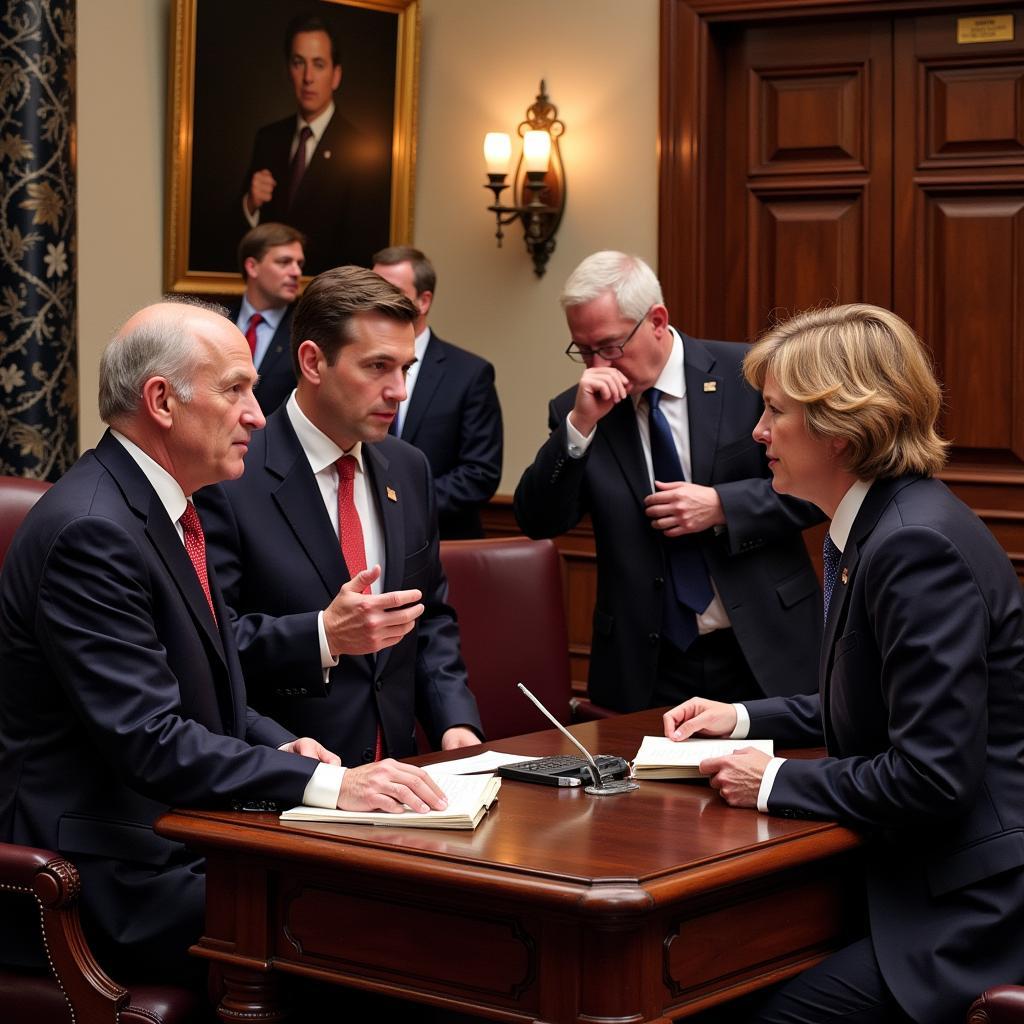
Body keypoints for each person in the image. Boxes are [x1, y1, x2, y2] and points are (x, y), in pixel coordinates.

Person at [0, 299, 447, 985]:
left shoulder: (160, 511)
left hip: (180, 841)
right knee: (373, 931)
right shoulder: (94, 531)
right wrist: (330, 784)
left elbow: (205, 688)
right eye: (235, 389)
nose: (257, 415)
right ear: (162, 402)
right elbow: (150, 737)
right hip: (109, 877)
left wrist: (277, 742)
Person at [665, 303, 1024, 1024]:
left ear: (842, 425)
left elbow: (931, 777)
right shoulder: (878, 528)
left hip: (970, 911)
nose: (757, 433)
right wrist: (739, 717)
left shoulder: (913, 546)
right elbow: (873, 698)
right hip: (912, 876)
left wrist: (773, 780)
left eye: (773, 412)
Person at [197, 267, 482, 768]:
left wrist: (455, 723)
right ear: (313, 361)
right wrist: (324, 635)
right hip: (286, 776)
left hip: (399, 777)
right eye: (377, 367)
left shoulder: (409, 468)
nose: (399, 391)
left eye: (405, 369)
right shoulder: (230, 474)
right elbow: (210, 644)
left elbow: (429, 617)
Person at [514, 251, 823, 713]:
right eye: (583, 350)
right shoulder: (578, 409)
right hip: (647, 664)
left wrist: (723, 505)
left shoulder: (750, 375)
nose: (597, 364)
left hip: (765, 646)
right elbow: (539, 518)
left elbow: (820, 488)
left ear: (657, 320)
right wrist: (578, 427)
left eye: (611, 346)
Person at [240, 12, 390, 275]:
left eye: (319, 64)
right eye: (299, 63)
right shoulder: (269, 138)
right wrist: (251, 203)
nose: (308, 77)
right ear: (289, 69)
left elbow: (361, 249)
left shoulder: (362, 149)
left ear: (336, 75)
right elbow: (232, 237)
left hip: (325, 304)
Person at [372, 245, 503, 539]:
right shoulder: (359, 369)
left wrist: (399, 504)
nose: (377, 301)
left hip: (441, 540)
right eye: (372, 290)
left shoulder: (469, 374)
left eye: (390, 291)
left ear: (424, 301)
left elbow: (480, 473)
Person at [230, 222, 305, 415]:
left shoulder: (304, 329)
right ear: (252, 267)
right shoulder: (220, 320)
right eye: (284, 262)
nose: (296, 272)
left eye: (299, 264)